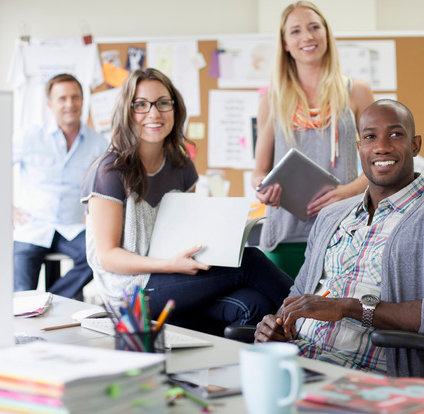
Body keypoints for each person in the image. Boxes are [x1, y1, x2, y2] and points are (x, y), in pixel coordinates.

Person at [254, 100, 424, 380]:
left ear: (415, 145)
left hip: (365, 378)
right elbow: (300, 293)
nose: (381, 147)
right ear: (359, 148)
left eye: (395, 134)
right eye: (370, 137)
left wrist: (349, 307)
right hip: (296, 362)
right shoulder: (331, 216)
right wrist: (276, 324)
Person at [81, 68, 293, 331]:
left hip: (173, 278)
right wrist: (168, 264)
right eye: (141, 105)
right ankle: (314, 319)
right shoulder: (110, 170)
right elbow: (108, 257)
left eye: (162, 103)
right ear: (127, 111)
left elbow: (185, 233)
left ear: (174, 108)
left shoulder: (181, 166)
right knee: (250, 260)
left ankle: (220, 367)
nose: (154, 113)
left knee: (255, 305)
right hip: (130, 291)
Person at [252, 1, 375, 278]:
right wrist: (262, 189)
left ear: (326, 34)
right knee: (283, 319)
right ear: (285, 43)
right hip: (284, 236)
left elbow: (378, 164)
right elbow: (259, 172)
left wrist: (347, 192)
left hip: (342, 232)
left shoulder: (357, 92)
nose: (306, 36)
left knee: (338, 319)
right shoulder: (271, 99)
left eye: (314, 27)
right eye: (295, 31)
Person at [13, 73, 108, 299]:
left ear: (83, 101)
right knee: (19, 297)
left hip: (72, 226)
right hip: (32, 226)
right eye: (62, 98)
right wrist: (5, 207)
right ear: (50, 104)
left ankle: (52, 301)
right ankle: (33, 308)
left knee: (99, 255)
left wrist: (95, 215)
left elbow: (105, 186)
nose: (70, 104)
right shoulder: (29, 137)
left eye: (75, 97)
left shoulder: (98, 143)